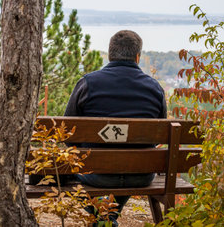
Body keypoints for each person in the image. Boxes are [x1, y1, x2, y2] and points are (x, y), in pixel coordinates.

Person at [64, 30, 167, 226]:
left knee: (64, 171)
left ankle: (103, 217)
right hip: (141, 175)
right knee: (128, 163)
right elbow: (156, 138)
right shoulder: (155, 88)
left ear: (110, 54)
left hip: (96, 175)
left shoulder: (87, 83)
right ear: (137, 57)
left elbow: (68, 134)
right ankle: (107, 217)